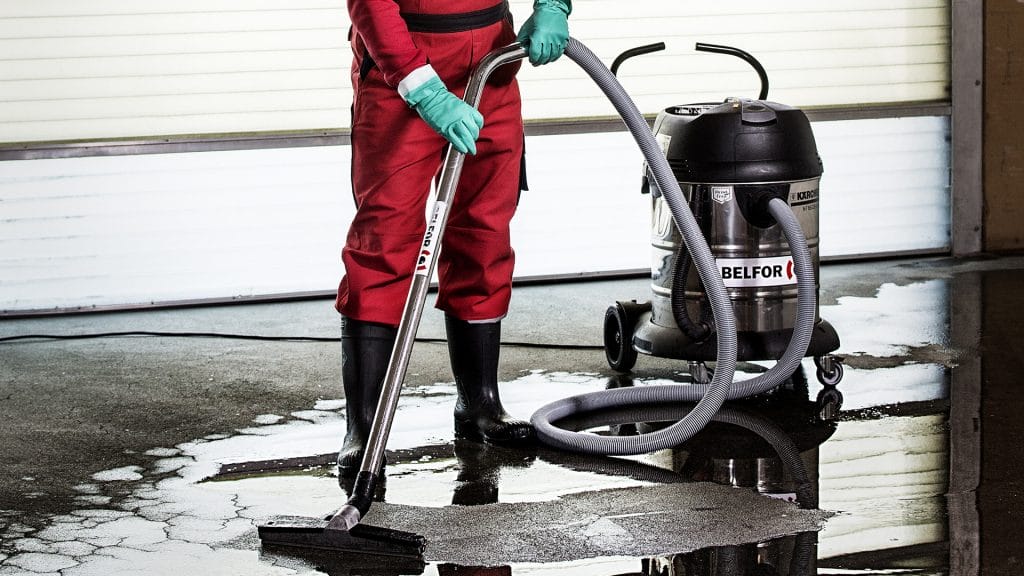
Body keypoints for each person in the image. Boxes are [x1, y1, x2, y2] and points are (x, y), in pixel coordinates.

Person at [335, 0, 572, 476]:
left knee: (484, 232)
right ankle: (363, 430)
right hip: (400, 66)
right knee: (385, 241)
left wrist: (553, 5)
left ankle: (479, 405)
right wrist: (423, 89)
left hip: (491, 62)